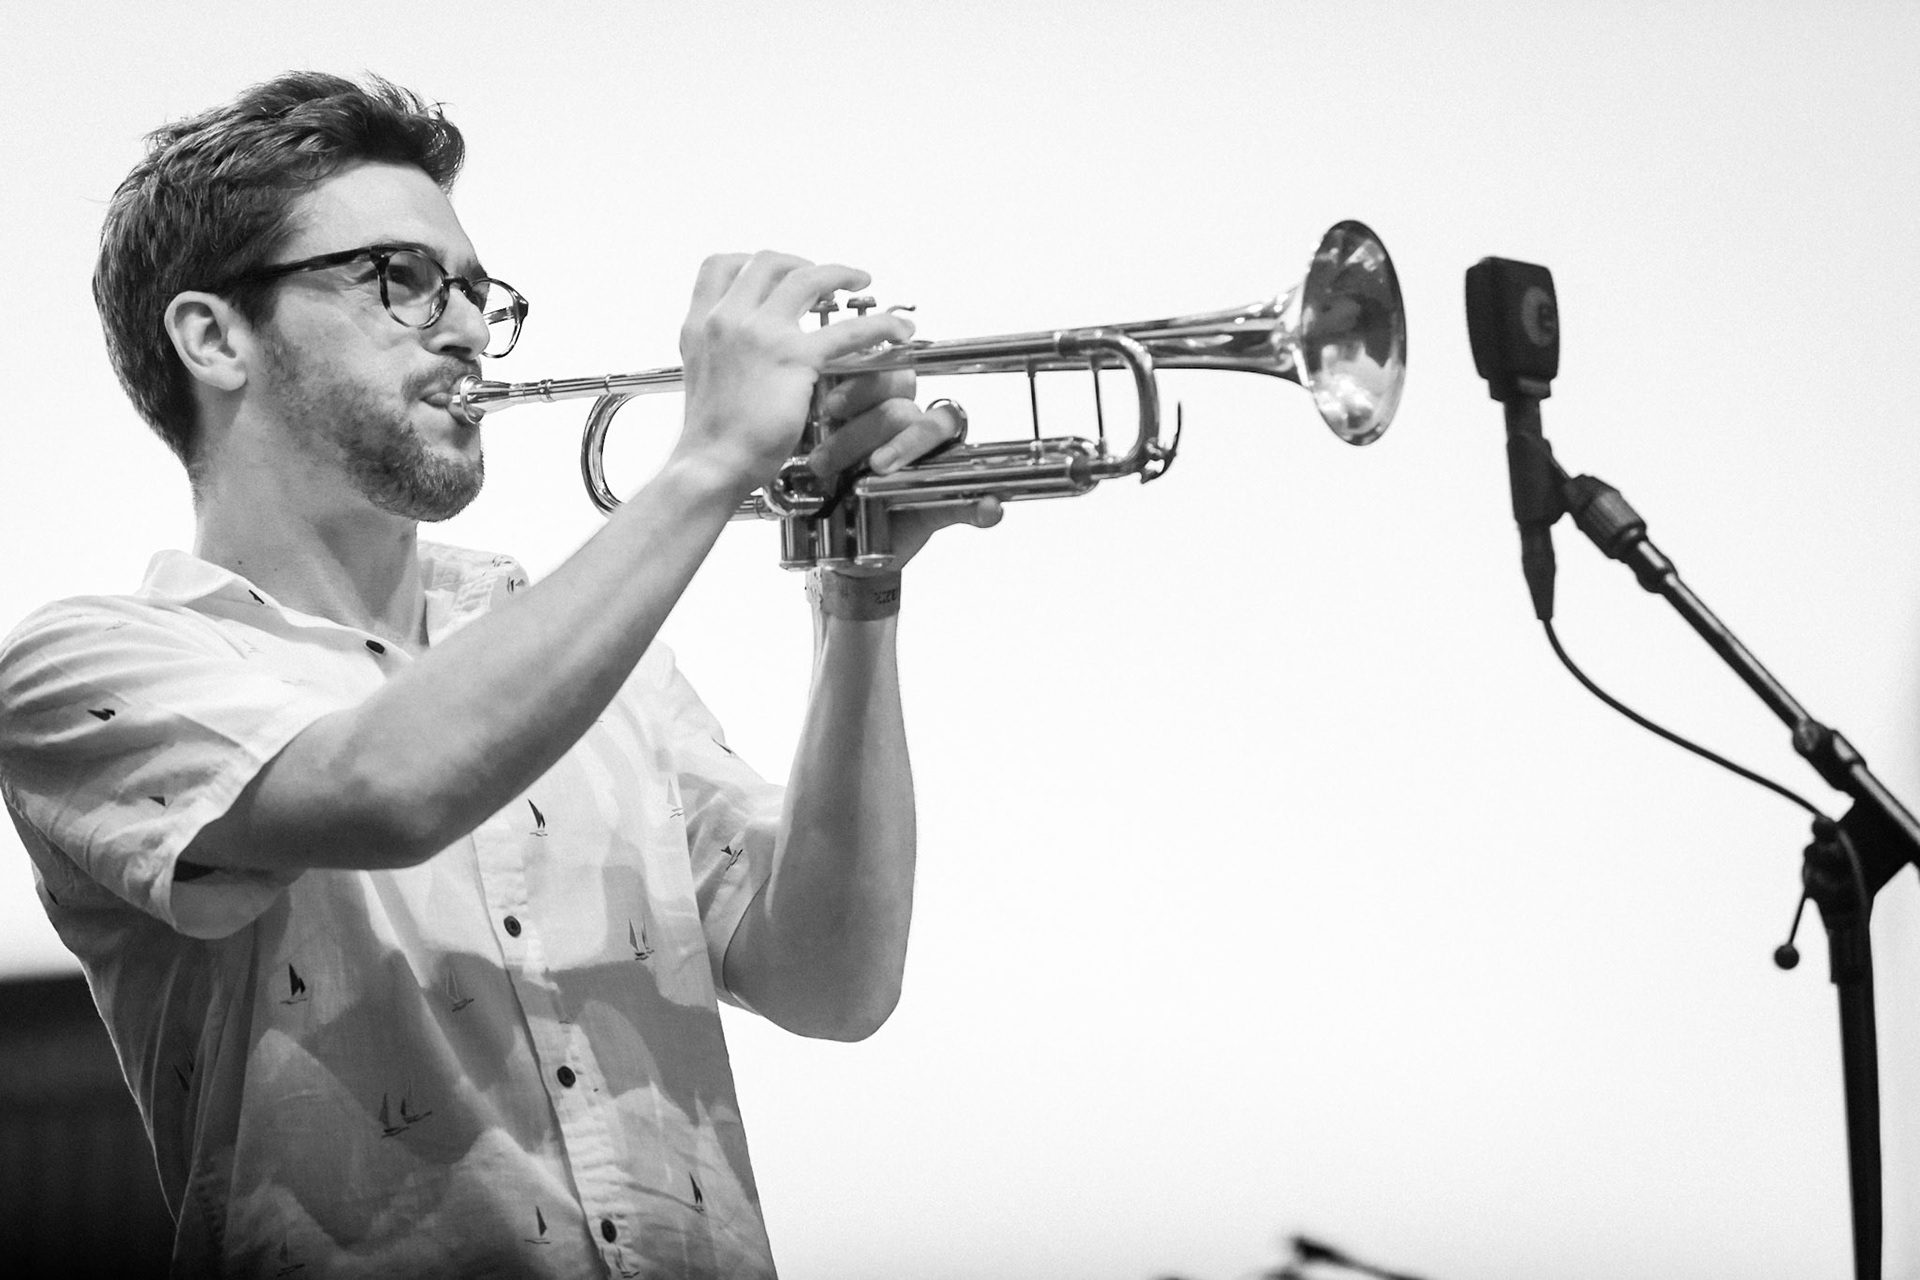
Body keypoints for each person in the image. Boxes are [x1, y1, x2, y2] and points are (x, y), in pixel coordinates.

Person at [0, 71, 995, 1279]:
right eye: (401, 278)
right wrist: (712, 458)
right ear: (215, 337)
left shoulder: (579, 651)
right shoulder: (87, 664)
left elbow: (833, 979)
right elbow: (387, 789)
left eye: (476, 291)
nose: (468, 328)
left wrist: (857, 590)